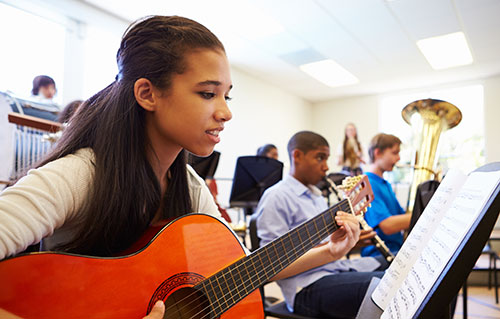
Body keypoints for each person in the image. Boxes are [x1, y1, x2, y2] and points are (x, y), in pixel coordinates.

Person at [0, 15, 234, 319]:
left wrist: (319, 252)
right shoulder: (82, 175)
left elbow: (234, 262)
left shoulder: (188, 186)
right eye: (207, 94)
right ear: (147, 94)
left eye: (227, 96)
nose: (226, 112)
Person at [255, 130, 387, 319]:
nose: (326, 167)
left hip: (333, 269)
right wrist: (332, 249)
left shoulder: (317, 197)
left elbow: (323, 244)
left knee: (399, 267)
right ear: (297, 156)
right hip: (305, 287)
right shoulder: (276, 197)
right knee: (387, 285)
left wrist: (352, 242)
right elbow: (268, 267)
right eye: (320, 158)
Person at [361, 133, 410, 258]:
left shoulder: (385, 184)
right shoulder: (368, 184)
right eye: (394, 153)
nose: (398, 158)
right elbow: (387, 226)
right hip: (378, 255)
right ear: (378, 153)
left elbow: (401, 216)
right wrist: (425, 216)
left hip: (394, 250)